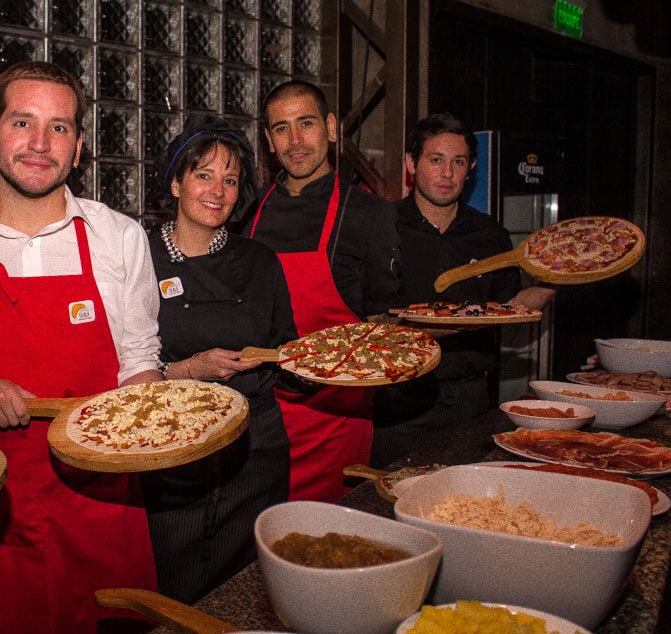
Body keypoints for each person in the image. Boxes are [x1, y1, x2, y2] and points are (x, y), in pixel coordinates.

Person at [0, 61, 161, 634]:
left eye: (58, 128)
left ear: (79, 147)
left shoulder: (117, 238)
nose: (39, 144)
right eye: (22, 123)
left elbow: (141, 365)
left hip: (102, 499)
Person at [142, 115, 297, 604]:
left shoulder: (259, 262)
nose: (218, 190)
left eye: (230, 180)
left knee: (247, 595)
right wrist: (187, 371)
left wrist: (331, 363)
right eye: (204, 175)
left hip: (255, 451)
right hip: (172, 452)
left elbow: (286, 352)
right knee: (174, 592)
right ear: (175, 181)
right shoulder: (137, 257)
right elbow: (115, 368)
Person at [371, 112, 555, 467]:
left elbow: (509, 308)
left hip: (471, 398)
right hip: (399, 398)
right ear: (411, 163)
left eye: (458, 162)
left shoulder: (491, 235)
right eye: (435, 160)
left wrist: (552, 283)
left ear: (471, 167)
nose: (447, 173)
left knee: (465, 507)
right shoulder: (381, 229)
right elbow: (371, 320)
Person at [247, 80, 401, 502]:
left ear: (331, 128)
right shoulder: (246, 213)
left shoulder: (369, 216)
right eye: (281, 128)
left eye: (306, 123)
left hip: (336, 422)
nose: (295, 141)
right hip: (260, 420)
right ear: (268, 141)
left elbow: (384, 326)